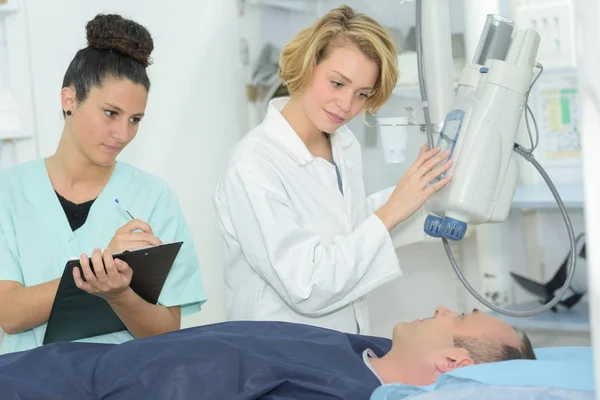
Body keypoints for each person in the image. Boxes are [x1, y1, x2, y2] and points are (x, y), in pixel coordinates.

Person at [213, 5, 453, 334]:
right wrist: (394, 209)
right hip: (280, 352)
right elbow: (306, 286)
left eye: (362, 94)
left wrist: (421, 198)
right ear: (308, 64)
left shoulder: (342, 145)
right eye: (337, 83)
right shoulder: (253, 164)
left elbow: (349, 229)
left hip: (339, 341)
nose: (346, 105)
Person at [0, 14, 206, 354]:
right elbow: (8, 313)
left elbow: (167, 330)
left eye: (135, 120)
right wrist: (95, 270)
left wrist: (119, 293)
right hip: (30, 382)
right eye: (110, 113)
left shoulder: (155, 197)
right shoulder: (8, 192)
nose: (123, 134)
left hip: (124, 381)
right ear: (70, 100)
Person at [0, 306, 536, 400]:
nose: (442, 308)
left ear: (454, 362)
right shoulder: (364, 352)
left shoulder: (342, 391)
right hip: (55, 366)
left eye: (458, 319)